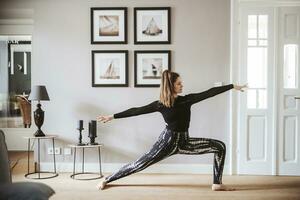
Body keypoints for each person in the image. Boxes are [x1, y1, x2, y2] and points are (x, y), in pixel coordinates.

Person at [96, 70, 247, 191]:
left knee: (219, 147)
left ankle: (217, 183)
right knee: (139, 165)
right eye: (179, 83)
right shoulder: (160, 104)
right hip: (166, 143)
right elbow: (137, 110)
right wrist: (113, 116)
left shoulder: (186, 100)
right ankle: (108, 179)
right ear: (171, 86)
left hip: (184, 142)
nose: (182, 85)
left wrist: (232, 86)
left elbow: (209, 92)